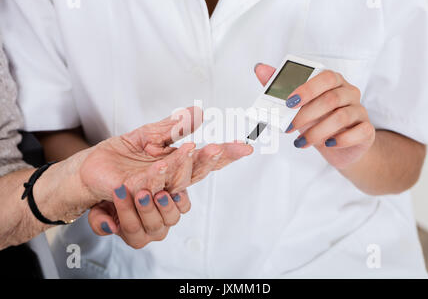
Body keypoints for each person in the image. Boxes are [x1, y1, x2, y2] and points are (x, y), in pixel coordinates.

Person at [1, 0, 428, 278]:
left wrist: (359, 152)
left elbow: (405, 164)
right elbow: (54, 132)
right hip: (128, 263)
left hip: (333, 260)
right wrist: (117, 193)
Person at [0, 38, 252, 265]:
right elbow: (49, 121)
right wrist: (74, 184)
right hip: (111, 260)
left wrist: (76, 181)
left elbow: (6, 157)